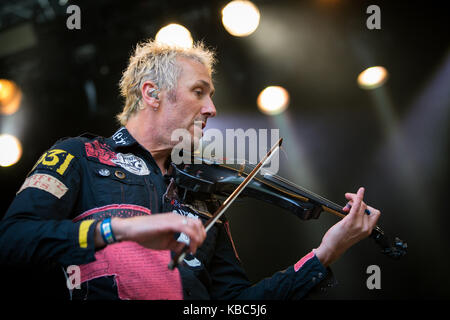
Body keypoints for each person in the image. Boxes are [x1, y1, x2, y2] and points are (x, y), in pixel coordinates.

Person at [0, 39, 380, 300]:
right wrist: (118, 228)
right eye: (200, 92)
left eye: (211, 95)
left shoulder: (201, 195)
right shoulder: (79, 156)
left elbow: (237, 303)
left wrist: (324, 254)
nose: (212, 108)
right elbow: (14, 239)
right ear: (151, 94)